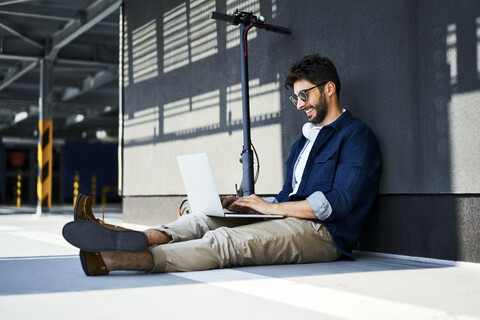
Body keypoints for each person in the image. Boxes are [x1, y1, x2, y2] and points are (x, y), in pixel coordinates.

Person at [62, 54, 381, 276]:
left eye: (304, 95)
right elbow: (287, 198)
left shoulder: (355, 136)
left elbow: (335, 205)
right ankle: (123, 234)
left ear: (329, 88)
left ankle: (113, 258)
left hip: (326, 236)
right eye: (295, 98)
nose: (299, 105)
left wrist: (269, 209)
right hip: (291, 220)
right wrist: (249, 206)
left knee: (225, 243)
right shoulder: (304, 142)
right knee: (202, 220)